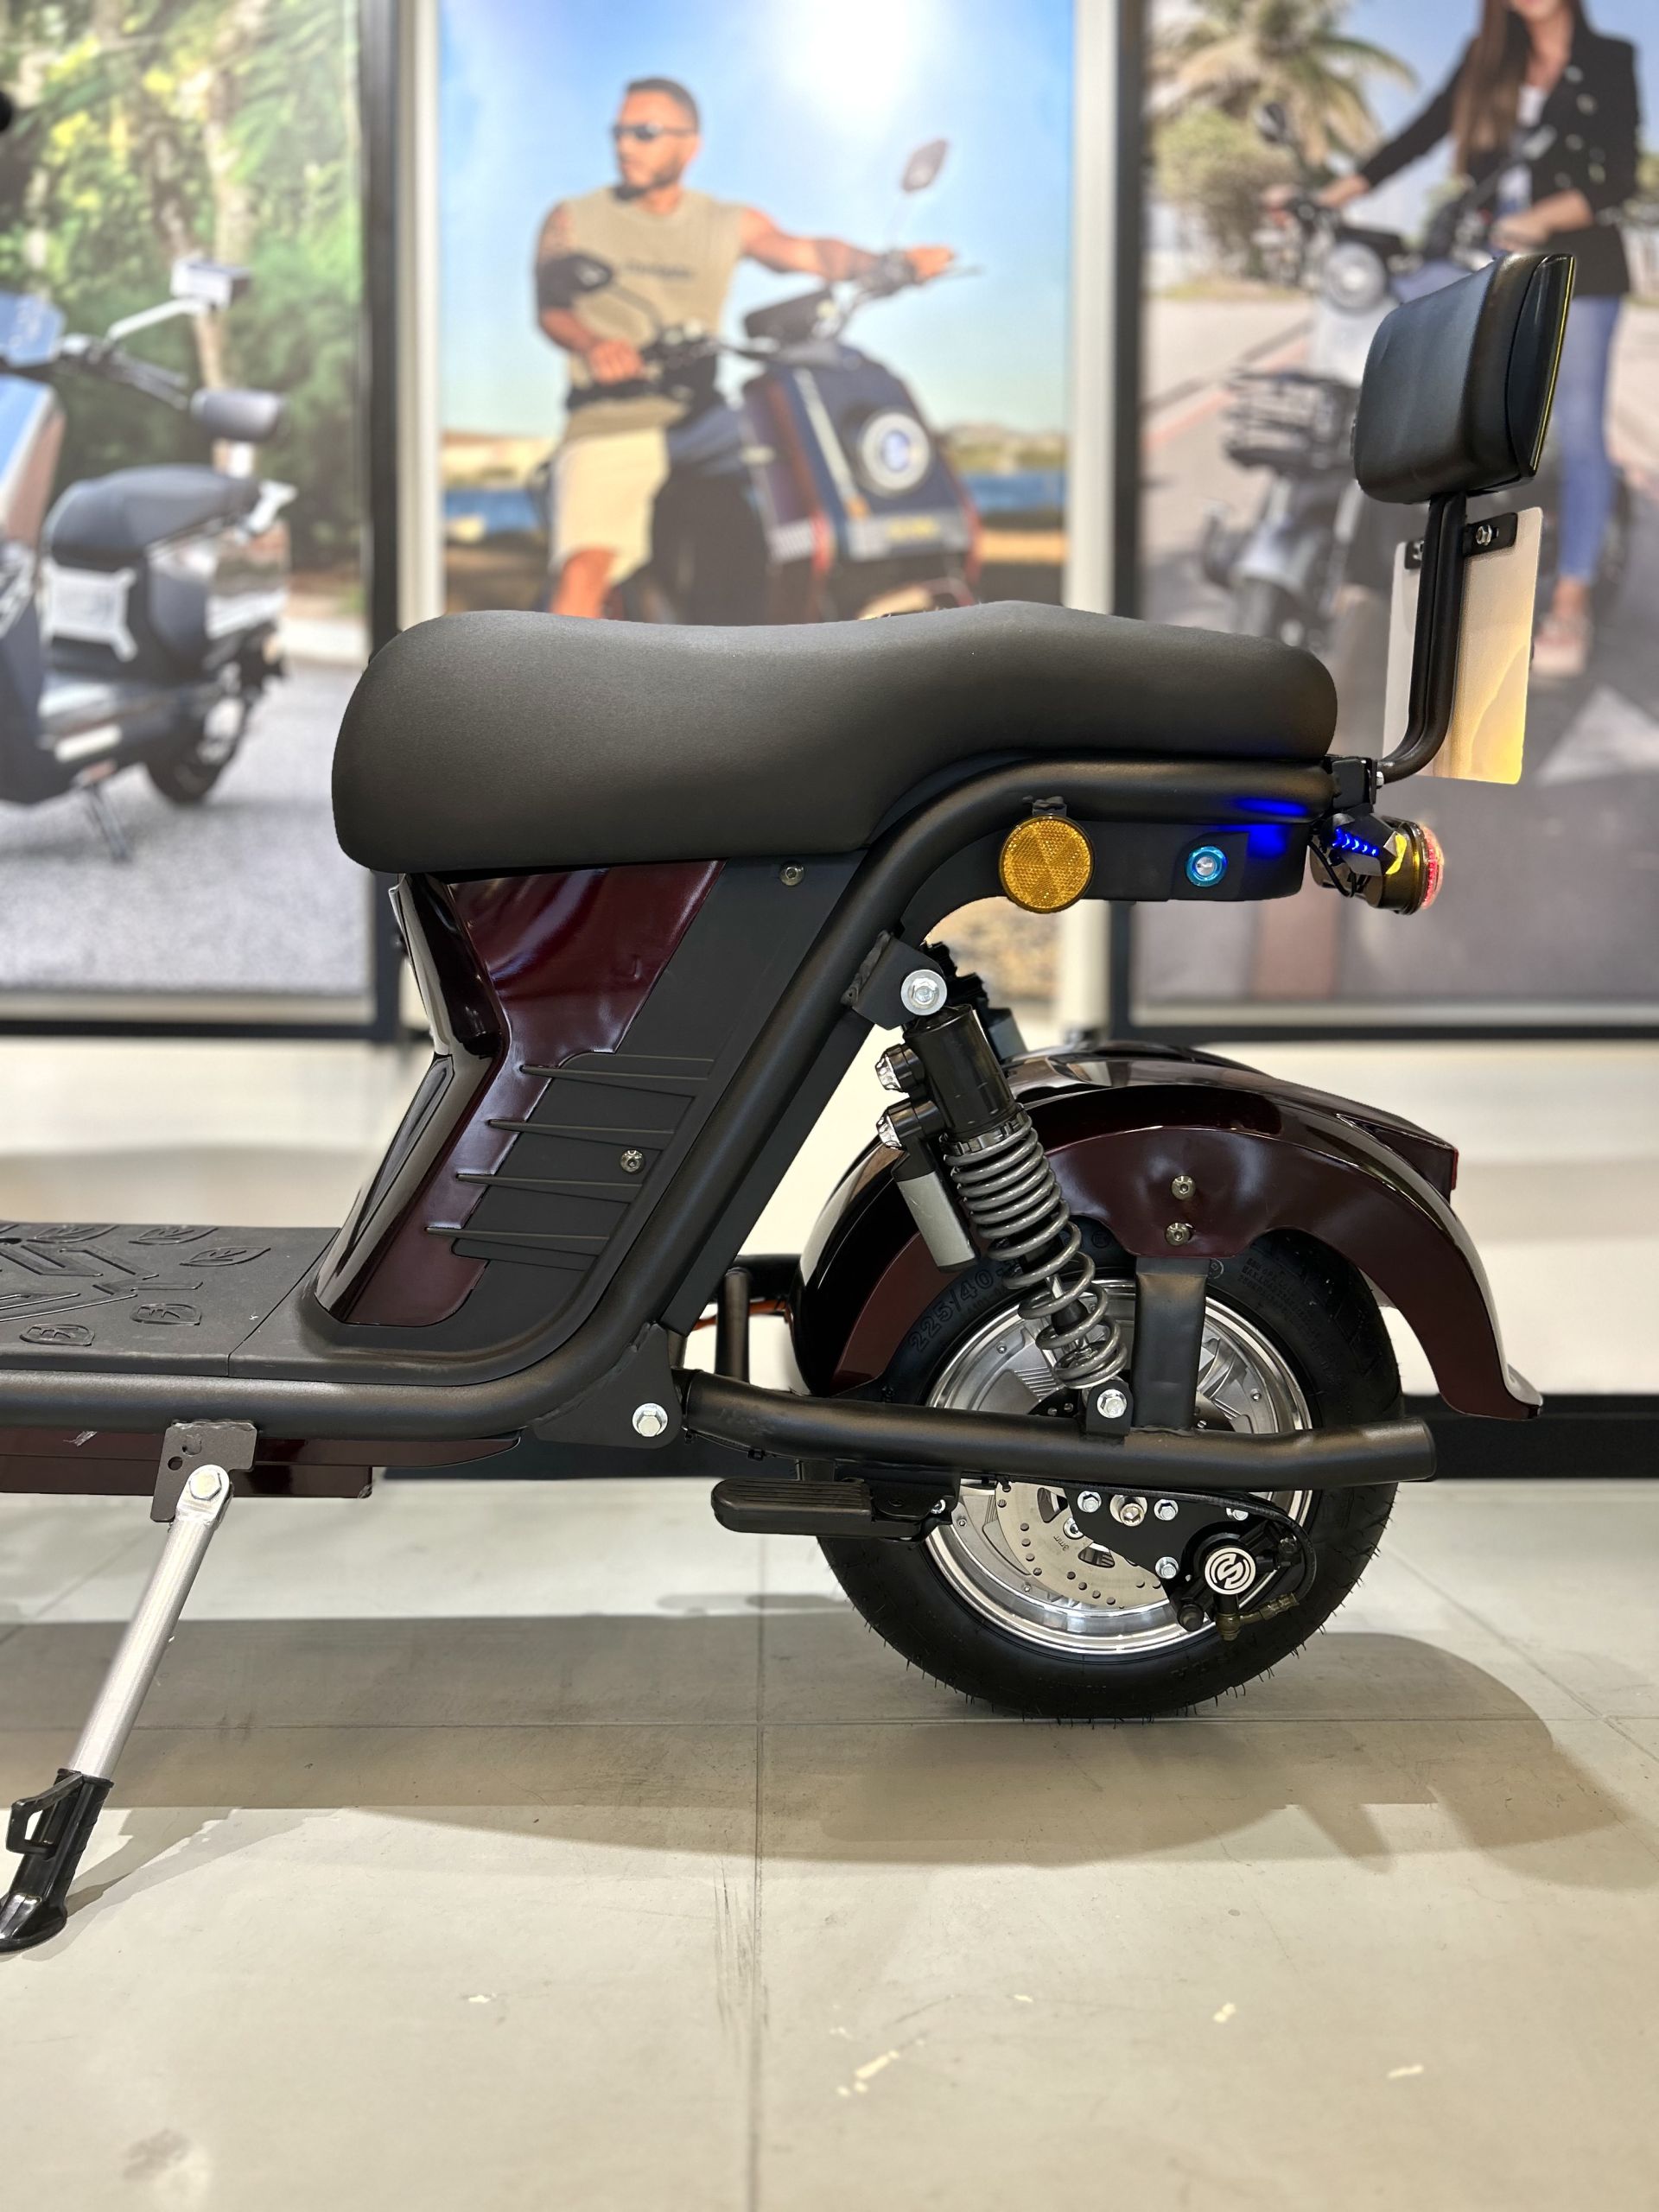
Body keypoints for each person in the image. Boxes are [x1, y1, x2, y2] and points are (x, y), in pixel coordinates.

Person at [534, 76, 954, 619]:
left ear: (690, 145)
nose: (625, 146)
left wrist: (882, 265)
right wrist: (594, 346)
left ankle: (825, 616)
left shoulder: (725, 221)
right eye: (619, 133)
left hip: (705, 418)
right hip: (613, 420)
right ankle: (556, 670)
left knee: (812, 449)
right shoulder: (574, 218)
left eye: (644, 132)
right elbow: (552, 309)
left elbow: (805, 251)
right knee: (585, 571)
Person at [1315, 0, 1640, 678]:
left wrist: (1542, 219)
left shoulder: (1610, 60)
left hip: (1580, 266)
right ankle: (1392, 560)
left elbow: (1617, 175)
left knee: (1579, 425)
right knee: (1398, 378)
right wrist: (1331, 198)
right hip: (1479, 254)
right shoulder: (1486, 60)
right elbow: (1420, 133)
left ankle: (1571, 598)